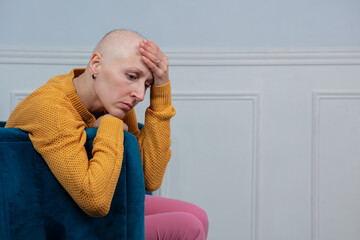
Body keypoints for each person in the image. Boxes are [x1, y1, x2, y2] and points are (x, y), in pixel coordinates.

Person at [5, 29, 208, 239]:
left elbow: (148, 179)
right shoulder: (51, 108)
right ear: (96, 65)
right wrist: (110, 125)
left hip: (75, 205)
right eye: (131, 76)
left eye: (146, 85)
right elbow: (96, 201)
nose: (139, 95)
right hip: (45, 220)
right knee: (188, 226)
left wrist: (161, 91)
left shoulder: (113, 103)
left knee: (198, 215)